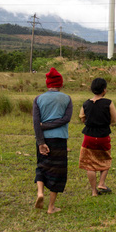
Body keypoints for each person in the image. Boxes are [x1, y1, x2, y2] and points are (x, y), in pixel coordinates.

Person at [33, 67, 73, 214]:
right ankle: (51, 207)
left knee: (41, 166)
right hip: (59, 139)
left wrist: (40, 142)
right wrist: (51, 125)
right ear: (61, 84)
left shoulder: (38, 99)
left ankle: (40, 193)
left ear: (47, 84)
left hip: (43, 139)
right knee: (57, 171)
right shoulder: (67, 99)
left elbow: (36, 123)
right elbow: (66, 119)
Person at [79, 77, 116, 197]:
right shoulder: (108, 103)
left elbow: (82, 117)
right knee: (106, 159)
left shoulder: (86, 103)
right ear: (104, 90)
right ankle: (102, 183)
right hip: (103, 136)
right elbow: (115, 119)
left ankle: (94, 191)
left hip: (89, 136)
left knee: (89, 163)